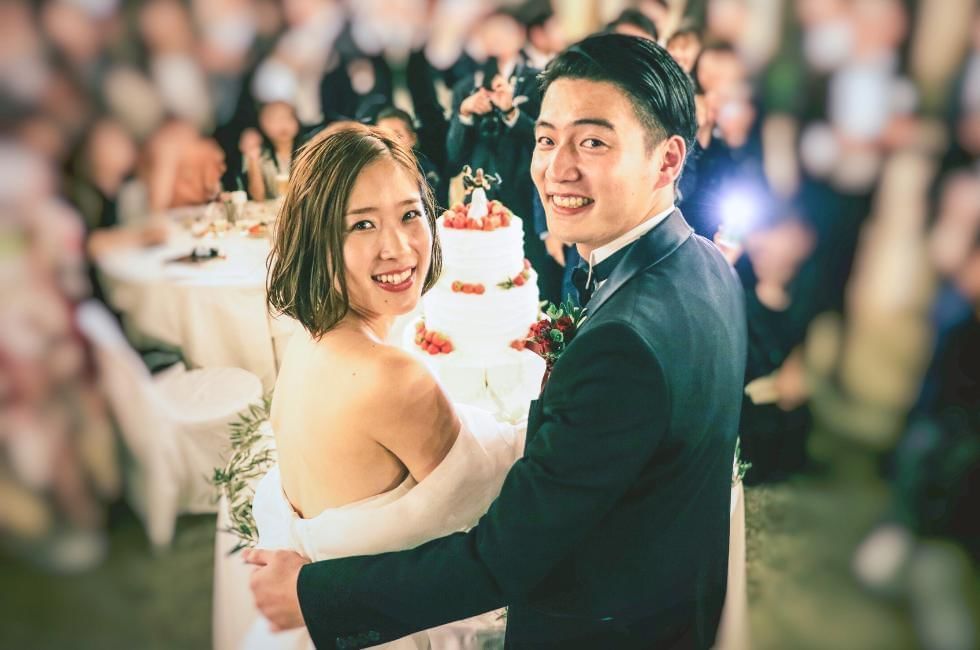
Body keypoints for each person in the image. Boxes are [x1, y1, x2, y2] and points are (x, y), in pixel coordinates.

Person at [247, 35, 748, 649]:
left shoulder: (622, 342)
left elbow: (500, 559)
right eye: (546, 139)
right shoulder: (707, 266)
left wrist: (311, 593)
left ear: (667, 160)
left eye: (592, 141)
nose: (556, 166)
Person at [241, 124, 526, 649]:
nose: (397, 247)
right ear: (318, 238)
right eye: (362, 225)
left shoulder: (308, 341)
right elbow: (498, 514)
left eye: (410, 214)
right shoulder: (393, 378)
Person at [240, 101, 301, 200]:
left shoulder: (308, 150)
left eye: (288, 117)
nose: (283, 124)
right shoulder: (257, 152)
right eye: (275, 120)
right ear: (263, 125)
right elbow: (258, 197)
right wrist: (253, 160)